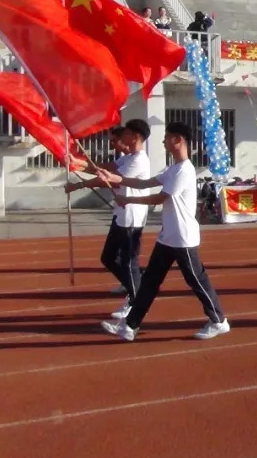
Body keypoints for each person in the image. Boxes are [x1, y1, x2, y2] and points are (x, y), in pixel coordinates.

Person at [97, 121, 229, 341]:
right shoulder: (172, 169)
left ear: (177, 140)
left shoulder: (184, 170)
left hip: (182, 238)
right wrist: (113, 178)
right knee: (149, 281)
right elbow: (144, 183)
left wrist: (127, 199)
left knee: (196, 280)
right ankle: (129, 327)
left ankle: (218, 320)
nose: (163, 142)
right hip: (168, 237)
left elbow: (159, 198)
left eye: (167, 138)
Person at [66, 121, 151, 311]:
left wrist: (78, 185)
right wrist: (77, 162)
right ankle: (132, 283)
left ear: (135, 136)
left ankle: (134, 300)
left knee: (129, 261)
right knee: (109, 258)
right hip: (121, 214)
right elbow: (106, 167)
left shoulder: (139, 160)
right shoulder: (128, 157)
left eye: (126, 134)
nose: (122, 138)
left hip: (132, 216)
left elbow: (108, 180)